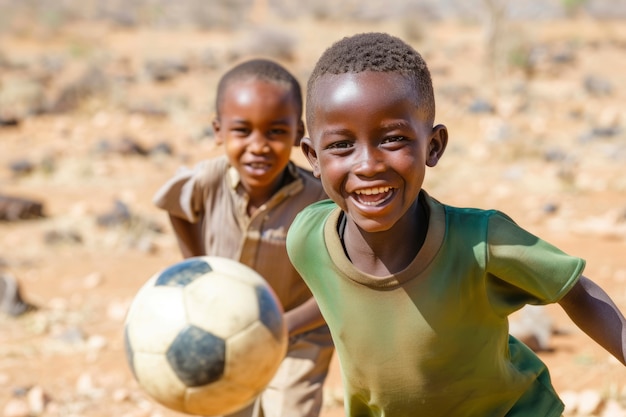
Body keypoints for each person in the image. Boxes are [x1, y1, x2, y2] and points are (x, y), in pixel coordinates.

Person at [286, 32, 626, 416]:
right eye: (341, 145)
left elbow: (574, 289)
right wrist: (280, 326)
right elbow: (345, 295)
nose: (368, 165)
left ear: (433, 146)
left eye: (393, 139)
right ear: (313, 157)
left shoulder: (480, 242)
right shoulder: (307, 240)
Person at [153, 58, 333, 417]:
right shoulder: (209, 180)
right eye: (242, 130)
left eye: (275, 132)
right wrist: (196, 266)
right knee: (228, 406)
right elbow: (176, 205)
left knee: (289, 410)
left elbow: (336, 284)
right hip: (225, 329)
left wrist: (284, 325)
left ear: (298, 134)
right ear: (218, 131)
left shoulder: (318, 202)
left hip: (297, 336)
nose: (259, 146)